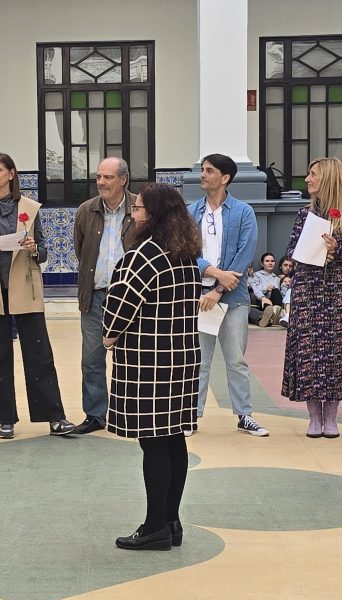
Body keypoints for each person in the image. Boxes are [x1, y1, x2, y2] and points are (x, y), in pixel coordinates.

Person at [102, 183, 203, 551]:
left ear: (155, 215)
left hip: (148, 362)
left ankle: (155, 526)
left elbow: (118, 308)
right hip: (182, 359)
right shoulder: (185, 255)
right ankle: (172, 522)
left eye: (140, 209)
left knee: (154, 444)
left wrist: (108, 337)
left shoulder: (142, 256)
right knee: (174, 439)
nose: (134, 214)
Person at [0, 153, 74, 440]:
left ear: (12, 174)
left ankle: (54, 417)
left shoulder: (29, 208)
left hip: (25, 288)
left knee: (39, 353)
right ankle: (5, 419)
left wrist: (33, 247)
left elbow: (44, 253)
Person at [187, 153, 269, 437]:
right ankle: (191, 416)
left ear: (225, 178)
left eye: (209, 171)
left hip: (233, 299)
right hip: (200, 297)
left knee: (236, 360)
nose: (203, 175)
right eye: (203, 170)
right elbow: (186, 251)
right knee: (199, 360)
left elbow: (245, 253)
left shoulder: (243, 212)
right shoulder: (190, 212)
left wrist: (220, 288)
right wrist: (213, 274)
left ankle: (245, 415)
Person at [282, 157, 342, 438]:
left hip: (338, 293)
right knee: (308, 355)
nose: (307, 179)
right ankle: (314, 417)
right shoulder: (304, 214)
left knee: (335, 355)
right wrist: (311, 251)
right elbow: (291, 251)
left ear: (327, 178)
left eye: (313, 174)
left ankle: (331, 418)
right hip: (307, 290)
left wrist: (336, 250)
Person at [72, 157, 139, 434]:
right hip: (95, 297)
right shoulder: (86, 210)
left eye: (108, 177)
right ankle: (95, 415)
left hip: (132, 299)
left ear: (123, 179)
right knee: (92, 359)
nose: (101, 182)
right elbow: (81, 250)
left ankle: (132, 413)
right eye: (99, 177)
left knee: (133, 358)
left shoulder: (139, 208)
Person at [248, 251, 283, 327]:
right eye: (267, 261)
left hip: (272, 303)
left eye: (272, 261)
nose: (270, 263)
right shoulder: (255, 275)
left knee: (276, 291)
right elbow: (254, 288)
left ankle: (273, 314)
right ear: (262, 264)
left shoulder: (277, 279)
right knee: (247, 309)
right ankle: (268, 317)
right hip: (259, 302)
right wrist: (265, 289)